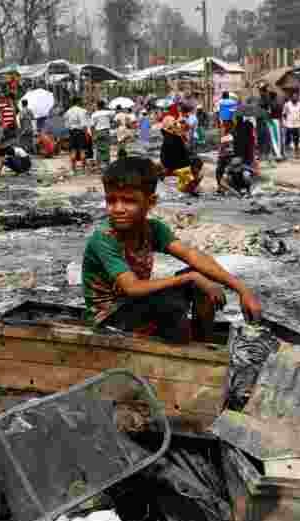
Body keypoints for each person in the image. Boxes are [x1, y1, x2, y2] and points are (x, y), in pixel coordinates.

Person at [83, 156, 262, 344]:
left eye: (128, 201)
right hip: (109, 321)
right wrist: (189, 278)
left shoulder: (153, 229)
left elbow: (193, 255)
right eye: (111, 201)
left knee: (201, 278)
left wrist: (243, 290)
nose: (118, 209)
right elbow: (133, 288)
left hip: (133, 308)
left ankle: (204, 345)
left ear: (150, 202)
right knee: (174, 300)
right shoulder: (104, 237)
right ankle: (182, 355)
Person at [159, 114, 200, 196]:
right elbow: (184, 152)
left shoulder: (173, 137)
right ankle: (190, 187)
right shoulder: (174, 138)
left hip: (175, 165)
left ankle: (189, 186)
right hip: (179, 166)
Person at [64, 97, 90, 175]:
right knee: (82, 150)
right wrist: (87, 135)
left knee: (73, 150)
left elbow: (66, 125)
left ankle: (73, 169)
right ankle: (83, 169)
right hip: (80, 132)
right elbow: (84, 125)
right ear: (78, 102)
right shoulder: (82, 111)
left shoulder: (68, 112)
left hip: (71, 132)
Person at [282, 93, 300, 157]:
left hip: (297, 125)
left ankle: (296, 153)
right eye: (294, 97)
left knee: (296, 139)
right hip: (289, 125)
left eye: (296, 97)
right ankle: (285, 152)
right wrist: (285, 122)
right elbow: (284, 114)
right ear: (291, 98)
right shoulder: (287, 104)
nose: (295, 98)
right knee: (288, 139)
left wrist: (299, 119)